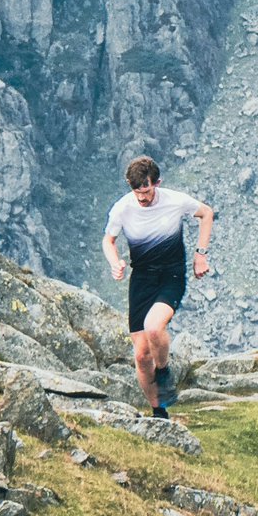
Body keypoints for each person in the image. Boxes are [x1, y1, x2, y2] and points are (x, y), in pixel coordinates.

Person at [102, 156, 213, 419]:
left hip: (170, 275)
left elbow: (206, 213)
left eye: (147, 192)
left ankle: (163, 370)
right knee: (141, 356)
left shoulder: (175, 200)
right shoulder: (122, 208)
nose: (142, 198)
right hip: (141, 278)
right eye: (136, 192)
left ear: (157, 184)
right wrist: (115, 262)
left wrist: (201, 255)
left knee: (154, 327)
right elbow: (108, 240)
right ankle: (159, 411)